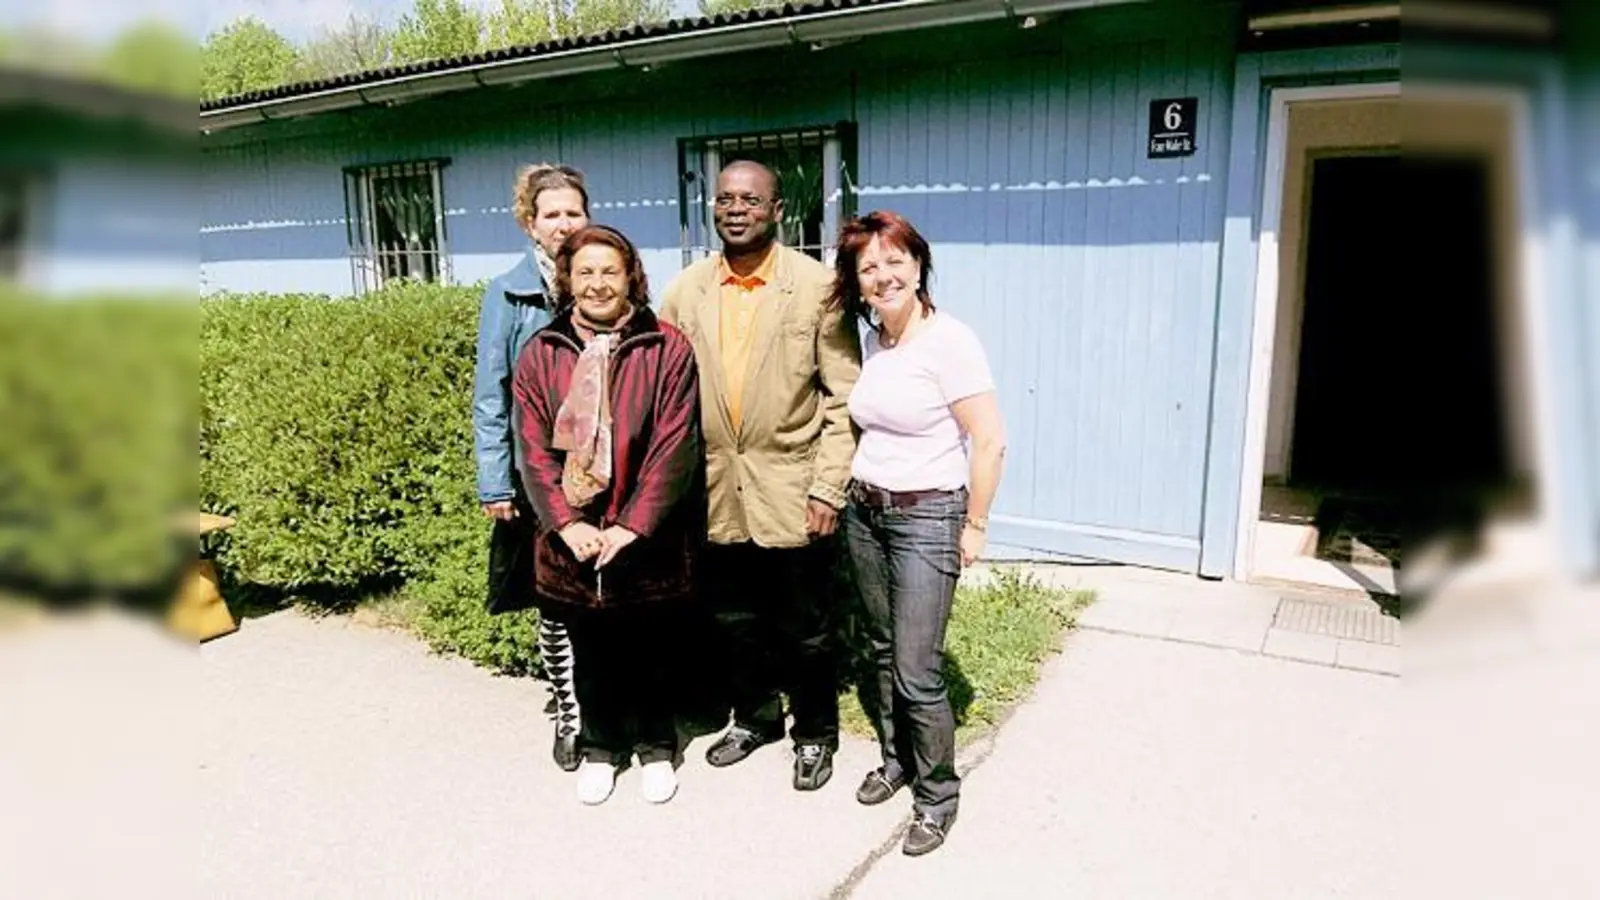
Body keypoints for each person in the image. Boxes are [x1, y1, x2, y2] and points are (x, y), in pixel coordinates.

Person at [659, 159, 861, 791]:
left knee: (804, 627)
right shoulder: (685, 291)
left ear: (777, 210)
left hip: (794, 489)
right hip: (714, 491)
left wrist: (830, 487)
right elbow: (660, 389)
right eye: (724, 199)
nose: (735, 208)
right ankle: (756, 718)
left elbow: (844, 396)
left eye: (750, 199)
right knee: (734, 621)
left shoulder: (817, 287)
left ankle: (815, 734)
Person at [829, 210, 1006, 857]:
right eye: (868, 266)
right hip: (866, 512)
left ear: (918, 263)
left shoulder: (950, 341)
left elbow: (990, 440)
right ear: (857, 280)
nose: (883, 274)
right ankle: (895, 759)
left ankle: (937, 796)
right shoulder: (873, 342)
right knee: (878, 649)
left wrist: (975, 524)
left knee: (916, 669)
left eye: (894, 259)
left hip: (929, 516)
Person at [512, 224, 703, 805]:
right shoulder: (542, 353)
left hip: (644, 531)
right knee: (590, 648)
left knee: (652, 646)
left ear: (631, 278)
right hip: (572, 533)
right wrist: (566, 522)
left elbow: (677, 441)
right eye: (584, 272)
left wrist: (632, 524)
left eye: (609, 272)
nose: (597, 284)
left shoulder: (665, 346)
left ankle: (655, 747)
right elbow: (532, 445)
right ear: (567, 280)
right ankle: (600, 746)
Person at [473, 163, 590, 771]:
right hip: (538, 473)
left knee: (606, 592)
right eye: (553, 214)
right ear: (530, 222)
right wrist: (495, 481)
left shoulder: (603, 278)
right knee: (555, 597)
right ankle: (569, 712)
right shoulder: (509, 293)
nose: (565, 224)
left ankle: (613, 701)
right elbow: (490, 393)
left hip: (601, 474)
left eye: (574, 212)